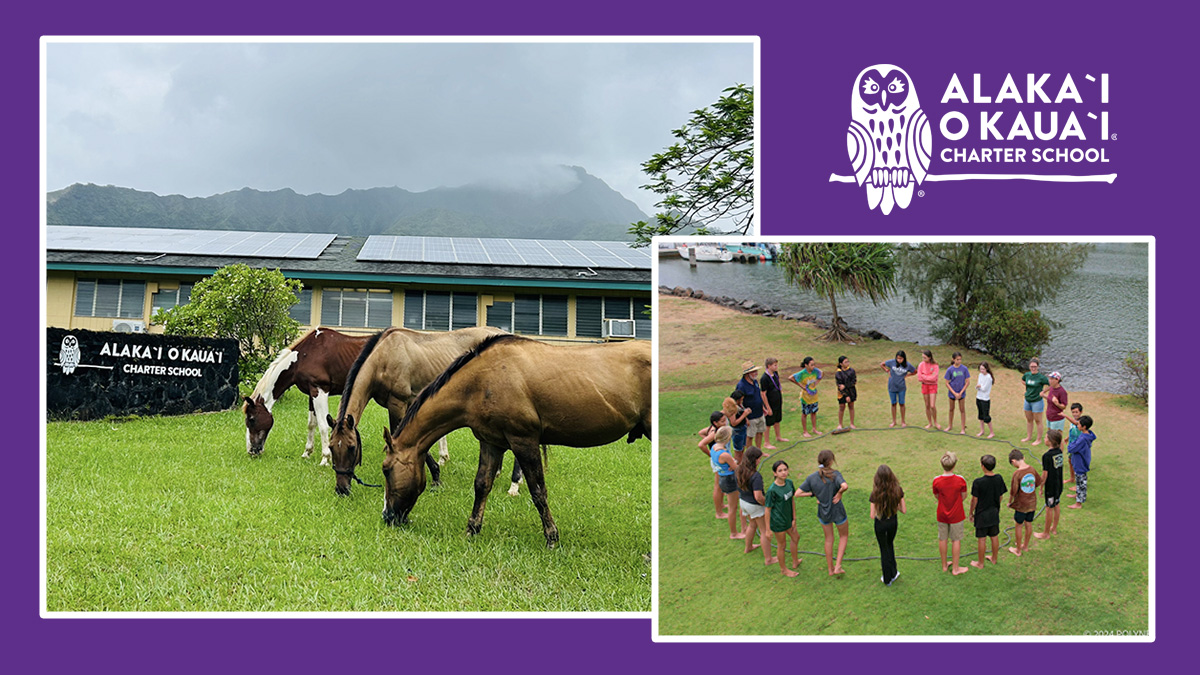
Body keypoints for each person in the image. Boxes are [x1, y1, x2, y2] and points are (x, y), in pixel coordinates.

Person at [796, 449, 849, 576]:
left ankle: (830, 569)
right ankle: (838, 566)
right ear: (831, 461)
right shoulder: (835, 475)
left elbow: (797, 493)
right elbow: (845, 486)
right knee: (843, 536)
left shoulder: (812, 478)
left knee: (828, 539)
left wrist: (813, 494)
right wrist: (839, 493)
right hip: (838, 512)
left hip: (823, 513)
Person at [736, 446, 775, 566]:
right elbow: (758, 496)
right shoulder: (756, 476)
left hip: (743, 502)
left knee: (752, 525)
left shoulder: (738, 469)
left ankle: (748, 547)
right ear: (755, 460)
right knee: (764, 531)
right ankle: (768, 559)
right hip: (754, 505)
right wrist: (767, 505)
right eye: (759, 458)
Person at [932, 451, 969, 575]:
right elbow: (964, 496)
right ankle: (956, 569)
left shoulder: (936, 480)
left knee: (942, 539)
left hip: (942, 514)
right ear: (954, 465)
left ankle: (944, 565)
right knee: (956, 540)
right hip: (956, 514)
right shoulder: (960, 480)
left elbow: (937, 496)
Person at [968, 454, 1007, 569]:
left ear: (982, 466)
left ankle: (980, 563)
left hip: (981, 514)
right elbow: (1001, 496)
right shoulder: (999, 478)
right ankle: (994, 559)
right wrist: (997, 506)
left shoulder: (978, 482)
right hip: (994, 512)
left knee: (982, 538)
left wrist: (971, 513)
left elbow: (974, 500)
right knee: (994, 536)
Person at [869, 464, 906, 586]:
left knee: (883, 549)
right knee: (890, 545)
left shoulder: (875, 493)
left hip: (880, 524)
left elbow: (872, 514)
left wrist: (881, 509)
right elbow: (903, 510)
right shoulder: (897, 490)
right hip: (892, 522)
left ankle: (887, 578)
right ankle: (894, 572)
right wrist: (894, 506)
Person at [764, 460, 801, 577]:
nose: (783, 473)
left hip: (788, 520)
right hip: (778, 522)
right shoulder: (772, 491)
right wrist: (768, 529)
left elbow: (792, 500)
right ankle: (783, 569)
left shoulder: (789, 483)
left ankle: (795, 561)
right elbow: (767, 510)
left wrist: (794, 518)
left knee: (796, 537)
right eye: (780, 471)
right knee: (782, 545)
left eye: (785, 469)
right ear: (775, 473)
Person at [708, 425, 744, 539]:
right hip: (730, 480)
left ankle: (736, 531)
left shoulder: (714, 448)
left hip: (722, 478)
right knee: (733, 508)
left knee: (732, 506)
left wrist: (731, 463)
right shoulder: (725, 454)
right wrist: (735, 462)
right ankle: (734, 533)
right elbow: (736, 468)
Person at [1006, 448, 1043, 556]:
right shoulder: (1032, 469)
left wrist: (1009, 502)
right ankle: (1025, 546)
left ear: (1013, 461)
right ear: (1023, 458)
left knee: (1018, 525)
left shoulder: (1017, 474)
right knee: (1028, 523)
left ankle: (1018, 550)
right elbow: (1037, 482)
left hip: (1021, 505)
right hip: (1032, 503)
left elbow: (1013, 492)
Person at [697, 411, 728, 519]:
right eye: (722, 421)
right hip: (717, 460)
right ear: (715, 422)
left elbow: (701, 432)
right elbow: (701, 445)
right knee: (718, 486)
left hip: (719, 458)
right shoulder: (714, 433)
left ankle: (722, 504)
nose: (725, 423)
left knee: (721, 484)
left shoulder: (711, 428)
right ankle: (719, 513)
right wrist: (711, 454)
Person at [1034, 429, 1065, 540]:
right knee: (1056, 504)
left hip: (1051, 487)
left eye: (1046, 437)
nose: (1044, 439)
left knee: (1049, 508)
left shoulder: (1046, 456)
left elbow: (1045, 474)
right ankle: (1054, 528)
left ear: (1051, 441)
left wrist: (1041, 487)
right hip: (1059, 485)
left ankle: (1045, 533)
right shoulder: (1060, 452)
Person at [736, 361, 773, 451]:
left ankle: (758, 451)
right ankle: (750, 455)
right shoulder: (741, 385)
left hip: (759, 413)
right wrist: (745, 417)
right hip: (750, 416)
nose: (756, 373)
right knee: (750, 436)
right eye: (753, 371)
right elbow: (738, 403)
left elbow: (758, 395)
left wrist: (763, 408)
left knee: (760, 432)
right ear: (747, 374)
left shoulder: (755, 382)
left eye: (756, 371)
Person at [1064, 414, 1096, 509]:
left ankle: (1079, 503)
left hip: (1080, 463)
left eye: (1078, 424)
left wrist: (1071, 445)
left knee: (1081, 482)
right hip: (1080, 461)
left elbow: (1071, 448)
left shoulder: (1082, 439)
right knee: (1079, 481)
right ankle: (1077, 495)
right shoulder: (1086, 435)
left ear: (1084, 426)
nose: (1077, 425)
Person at [880, 350, 917, 427]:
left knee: (902, 403)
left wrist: (907, 375)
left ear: (904, 358)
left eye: (901, 359)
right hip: (892, 386)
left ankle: (903, 421)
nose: (899, 360)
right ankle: (894, 421)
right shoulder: (892, 362)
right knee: (893, 403)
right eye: (898, 358)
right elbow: (882, 364)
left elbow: (915, 371)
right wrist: (887, 370)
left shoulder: (907, 365)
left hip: (901, 387)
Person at [789, 356, 824, 437]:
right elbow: (790, 377)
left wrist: (816, 383)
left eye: (814, 364)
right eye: (811, 365)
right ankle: (805, 431)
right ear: (806, 365)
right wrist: (801, 386)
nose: (813, 366)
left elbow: (821, 373)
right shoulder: (802, 373)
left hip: (814, 395)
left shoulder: (815, 371)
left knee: (814, 412)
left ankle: (814, 429)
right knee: (805, 414)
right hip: (805, 397)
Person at [1021, 358, 1050, 446]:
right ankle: (1029, 437)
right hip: (1027, 400)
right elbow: (1023, 380)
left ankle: (1038, 439)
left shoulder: (1041, 377)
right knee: (1029, 420)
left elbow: (1050, 384)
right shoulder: (1027, 375)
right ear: (1029, 366)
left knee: (1038, 420)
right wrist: (1028, 388)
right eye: (1031, 366)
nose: (1033, 368)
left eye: (1035, 366)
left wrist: (1043, 392)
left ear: (1037, 367)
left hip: (1037, 401)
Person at [760, 358, 788, 449]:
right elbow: (763, 394)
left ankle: (778, 436)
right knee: (768, 423)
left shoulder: (775, 374)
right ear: (769, 366)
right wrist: (768, 407)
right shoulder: (764, 378)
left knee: (777, 420)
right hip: (770, 403)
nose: (776, 367)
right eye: (774, 365)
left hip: (777, 401)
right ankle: (766, 442)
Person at [944, 352, 970, 434]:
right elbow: (947, 382)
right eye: (957, 359)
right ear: (953, 359)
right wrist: (954, 393)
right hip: (952, 392)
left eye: (960, 359)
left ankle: (963, 428)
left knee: (962, 410)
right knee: (951, 409)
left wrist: (961, 392)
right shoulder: (950, 370)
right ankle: (950, 425)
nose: (959, 361)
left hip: (961, 392)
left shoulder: (964, 369)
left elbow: (967, 382)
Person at [1041, 371, 1069, 447]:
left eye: (1051, 379)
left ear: (1057, 380)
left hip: (1057, 418)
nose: (1049, 380)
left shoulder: (1062, 392)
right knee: (1050, 438)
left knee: (1057, 439)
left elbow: (1064, 406)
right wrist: (1044, 394)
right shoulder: (1052, 388)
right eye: (1049, 378)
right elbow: (1051, 399)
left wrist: (1057, 404)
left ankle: (1059, 455)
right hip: (1049, 417)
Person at [722, 390, 751, 461]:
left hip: (743, 428)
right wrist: (744, 414)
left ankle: (741, 465)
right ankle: (737, 467)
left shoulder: (739, 405)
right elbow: (733, 423)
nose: (741, 401)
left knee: (742, 448)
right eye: (740, 400)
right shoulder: (732, 408)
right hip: (737, 431)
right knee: (738, 452)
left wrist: (746, 419)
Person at [917, 349, 941, 430]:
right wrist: (928, 377)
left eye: (925, 358)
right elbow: (919, 378)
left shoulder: (935, 365)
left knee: (932, 405)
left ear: (929, 357)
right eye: (922, 357)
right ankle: (930, 423)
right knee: (927, 405)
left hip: (933, 386)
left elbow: (934, 378)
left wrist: (925, 377)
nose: (923, 359)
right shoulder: (921, 365)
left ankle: (935, 422)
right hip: (924, 386)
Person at [835, 355, 858, 430]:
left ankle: (852, 423)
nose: (847, 363)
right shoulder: (838, 373)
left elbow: (853, 381)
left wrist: (845, 386)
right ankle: (840, 424)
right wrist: (846, 395)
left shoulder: (851, 371)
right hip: (842, 393)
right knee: (842, 407)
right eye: (845, 362)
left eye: (848, 361)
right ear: (841, 364)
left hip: (851, 391)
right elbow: (839, 385)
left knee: (851, 406)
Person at [1064, 402, 1083, 485]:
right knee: (1070, 460)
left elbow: (1077, 425)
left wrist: (1065, 415)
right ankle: (1072, 478)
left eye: (1076, 412)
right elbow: (1072, 431)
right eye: (1073, 412)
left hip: (1078, 447)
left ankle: (1078, 484)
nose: (1074, 414)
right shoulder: (1072, 421)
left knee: (1077, 465)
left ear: (1081, 412)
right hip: (1072, 445)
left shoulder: (1081, 421)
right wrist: (1067, 438)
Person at [975, 362, 995, 438]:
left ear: (986, 369)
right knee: (980, 415)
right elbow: (978, 385)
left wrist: (979, 387)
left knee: (986, 416)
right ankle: (982, 430)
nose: (981, 370)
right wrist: (978, 387)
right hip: (979, 397)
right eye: (980, 369)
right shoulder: (980, 375)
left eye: (983, 369)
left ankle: (991, 432)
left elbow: (985, 388)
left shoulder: (989, 377)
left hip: (985, 399)